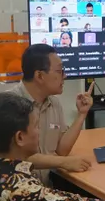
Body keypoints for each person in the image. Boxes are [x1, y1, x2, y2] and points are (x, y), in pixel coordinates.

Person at [6, 44, 92, 183]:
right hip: (18, 188)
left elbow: (62, 150)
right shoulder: (9, 105)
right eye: (59, 71)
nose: (65, 76)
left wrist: (81, 114)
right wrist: (64, 162)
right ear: (39, 76)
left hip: (45, 187)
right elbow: (17, 157)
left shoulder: (54, 103)